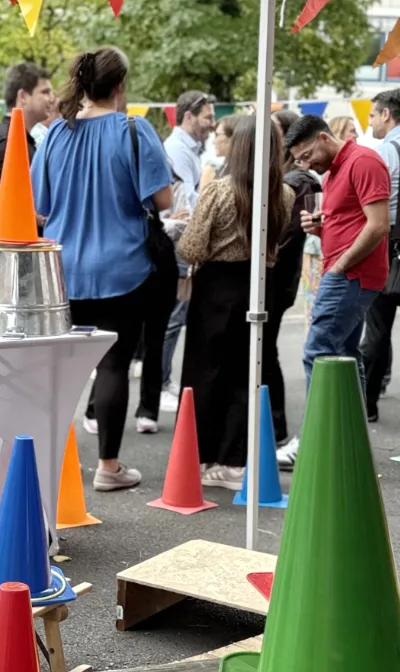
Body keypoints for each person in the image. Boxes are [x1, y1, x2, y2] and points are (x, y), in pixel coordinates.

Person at [32, 46, 173, 492]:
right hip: (122, 268)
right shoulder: (134, 129)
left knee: (57, 371)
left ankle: (45, 461)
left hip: (63, 270)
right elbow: (164, 200)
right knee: (113, 366)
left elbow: (40, 206)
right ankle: (108, 467)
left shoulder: (55, 135)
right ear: (119, 86)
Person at [177, 117, 294, 489]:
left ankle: (203, 457)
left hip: (217, 288)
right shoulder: (284, 194)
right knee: (247, 373)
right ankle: (234, 460)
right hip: (261, 283)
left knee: (206, 371)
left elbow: (192, 247)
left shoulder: (218, 190)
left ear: (239, 148)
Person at [278, 115, 391, 469]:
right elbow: (351, 221)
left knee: (318, 351)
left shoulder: (364, 161)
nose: (305, 164)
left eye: (307, 154)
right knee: (343, 354)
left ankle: (317, 439)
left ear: (325, 138)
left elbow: (378, 225)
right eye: (298, 159)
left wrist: (341, 265)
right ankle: (348, 438)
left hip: (350, 274)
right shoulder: (335, 171)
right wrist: (320, 227)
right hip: (345, 271)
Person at [160, 90, 217, 412]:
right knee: (173, 318)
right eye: (208, 116)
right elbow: (187, 203)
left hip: (184, 240)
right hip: (178, 242)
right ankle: (163, 383)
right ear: (189, 116)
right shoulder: (178, 150)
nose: (212, 123)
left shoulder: (191, 149)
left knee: (176, 317)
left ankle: (164, 381)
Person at [266, 108, 318, 444]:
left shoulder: (297, 183)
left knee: (265, 351)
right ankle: (273, 429)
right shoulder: (293, 180)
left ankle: (276, 430)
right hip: (280, 279)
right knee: (265, 350)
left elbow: (282, 236)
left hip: (276, 280)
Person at [359, 89, 400, 422]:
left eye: (373, 114)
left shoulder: (387, 151)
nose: (370, 121)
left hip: (390, 246)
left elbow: (372, 204)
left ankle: (368, 404)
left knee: (377, 328)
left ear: (387, 114)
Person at [0, 62, 54, 234]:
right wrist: (40, 219)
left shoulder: (18, 137)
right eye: (45, 92)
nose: (52, 98)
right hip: (9, 250)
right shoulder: (8, 140)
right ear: (23, 97)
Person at [199, 114, 240, 190]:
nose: (213, 141)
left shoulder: (212, 169)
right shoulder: (212, 169)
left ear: (232, 138)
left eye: (217, 135)